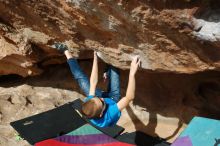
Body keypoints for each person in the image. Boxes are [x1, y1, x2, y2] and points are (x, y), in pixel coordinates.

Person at [52, 43, 140, 127]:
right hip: (114, 99)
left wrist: (95, 58)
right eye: (101, 101)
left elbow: (93, 82)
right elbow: (129, 97)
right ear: (101, 114)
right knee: (114, 68)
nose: (101, 98)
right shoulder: (110, 114)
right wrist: (132, 73)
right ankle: (108, 69)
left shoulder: (91, 105)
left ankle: (65, 51)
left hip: (101, 104)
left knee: (80, 79)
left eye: (97, 98)